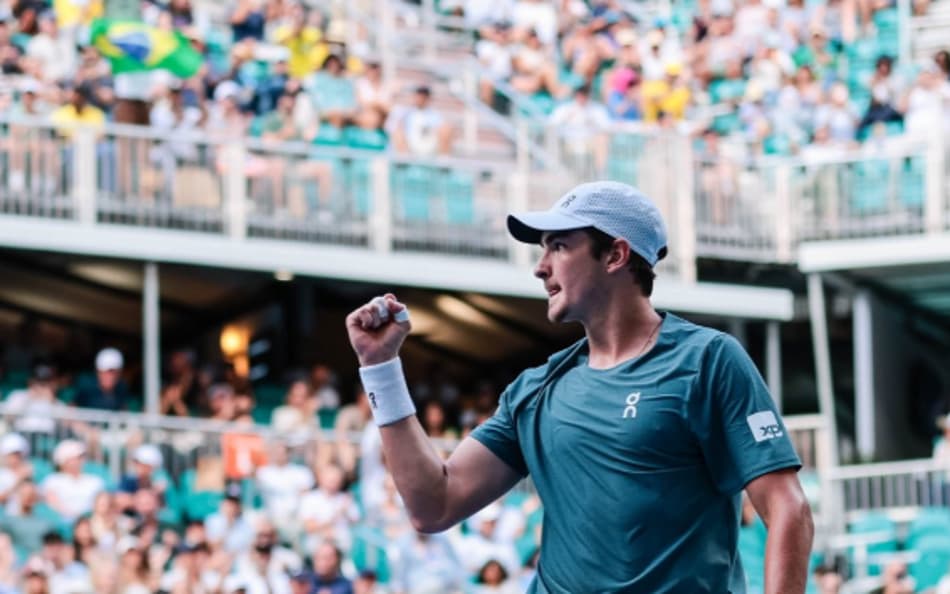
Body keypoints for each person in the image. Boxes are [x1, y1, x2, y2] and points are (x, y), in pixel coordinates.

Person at [345, 181, 814, 592]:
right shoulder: (535, 390)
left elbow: (788, 512)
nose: (540, 267)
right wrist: (380, 368)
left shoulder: (708, 360)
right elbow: (434, 505)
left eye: (559, 247)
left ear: (616, 255)